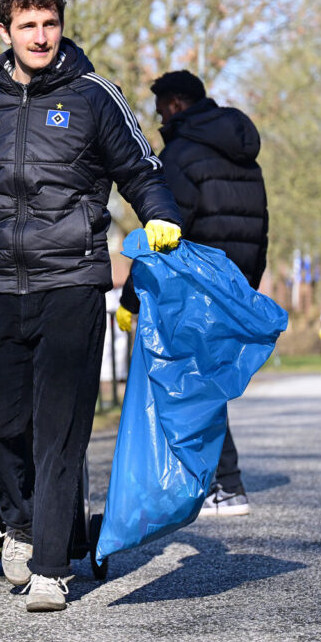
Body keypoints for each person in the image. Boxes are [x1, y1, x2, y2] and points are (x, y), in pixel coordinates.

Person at [0, 0, 182, 612]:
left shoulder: (96, 97)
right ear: (5, 31)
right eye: (27, 26)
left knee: (59, 430)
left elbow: (142, 168)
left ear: (61, 25)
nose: (40, 36)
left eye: (49, 23)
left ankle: (50, 567)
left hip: (70, 281)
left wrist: (160, 211)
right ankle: (17, 524)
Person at [116, 69, 268, 517]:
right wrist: (248, 285)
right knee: (208, 379)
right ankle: (223, 483)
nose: (159, 115)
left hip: (196, 287)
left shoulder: (180, 154)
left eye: (161, 107)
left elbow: (165, 233)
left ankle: (225, 485)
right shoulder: (243, 153)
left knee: (193, 383)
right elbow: (259, 224)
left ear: (177, 105)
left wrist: (129, 299)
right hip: (236, 281)